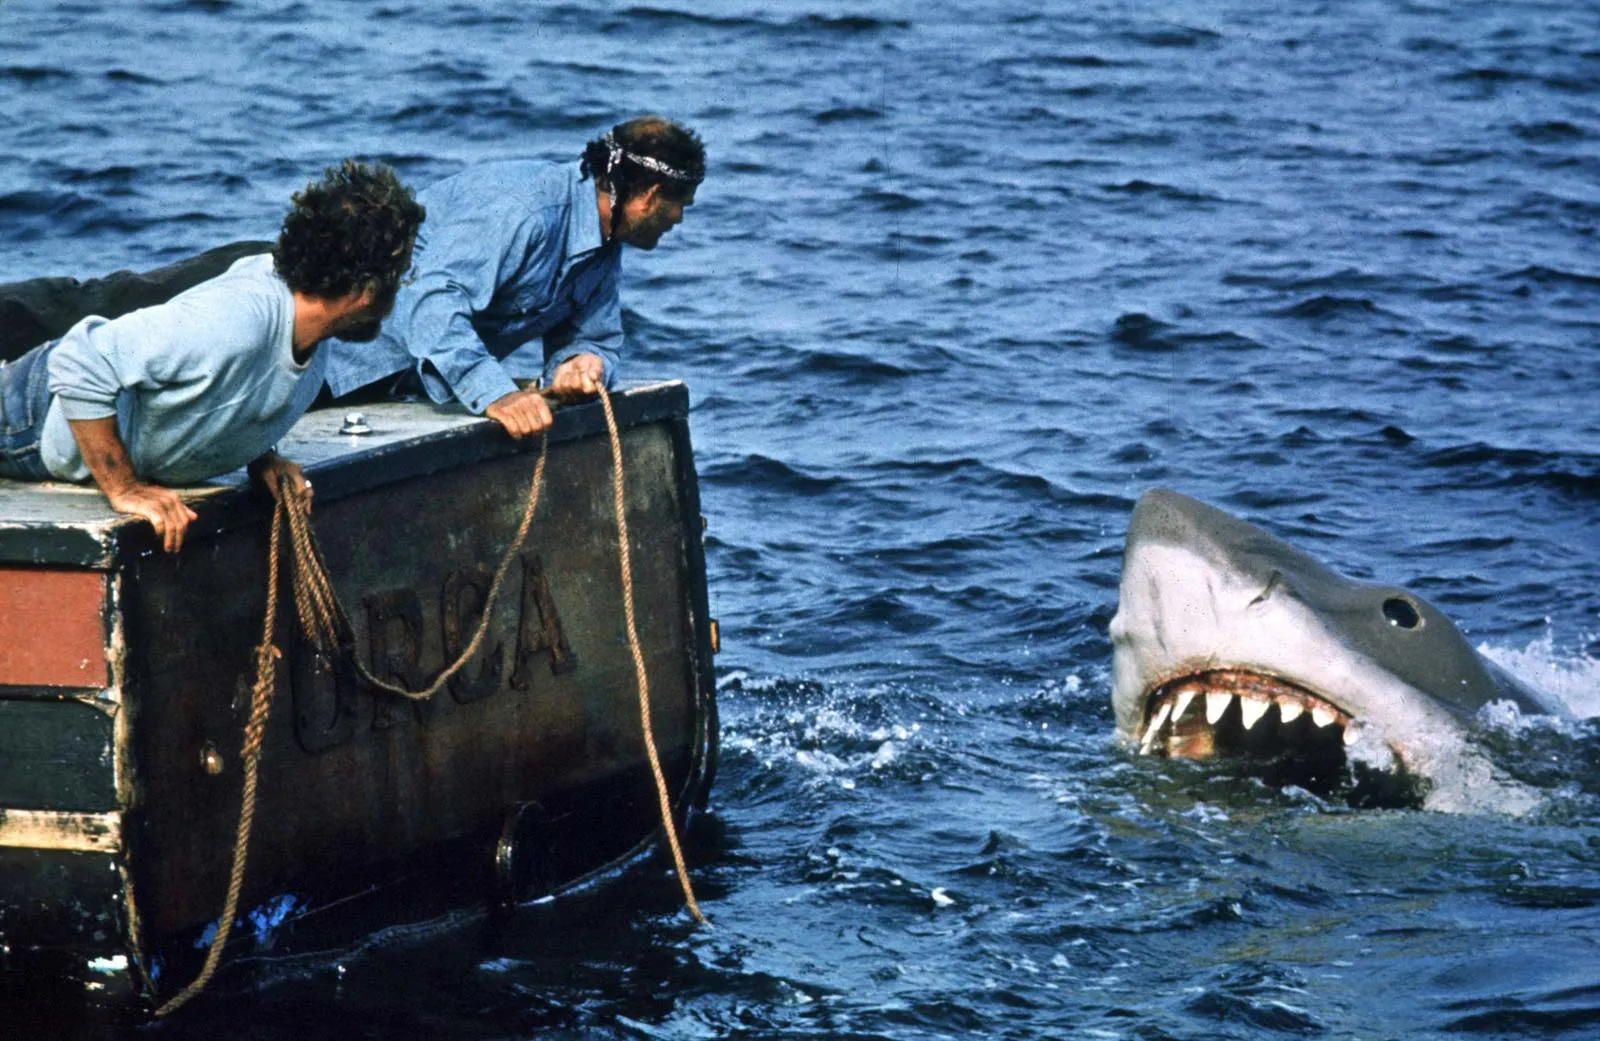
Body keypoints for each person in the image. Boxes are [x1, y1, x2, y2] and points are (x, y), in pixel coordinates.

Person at [0, 161, 425, 554]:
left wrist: (261, 455)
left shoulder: (313, 333)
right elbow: (81, 361)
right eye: (399, 274)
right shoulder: (236, 318)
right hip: (31, 417)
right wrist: (124, 488)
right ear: (364, 292)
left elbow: (242, 383)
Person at [321, 115, 705, 438]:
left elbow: (595, 338)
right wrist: (495, 395)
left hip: (403, 395)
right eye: (680, 205)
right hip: (331, 366)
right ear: (651, 195)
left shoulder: (604, 244)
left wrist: (581, 363)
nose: (679, 220)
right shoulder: (526, 209)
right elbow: (433, 298)